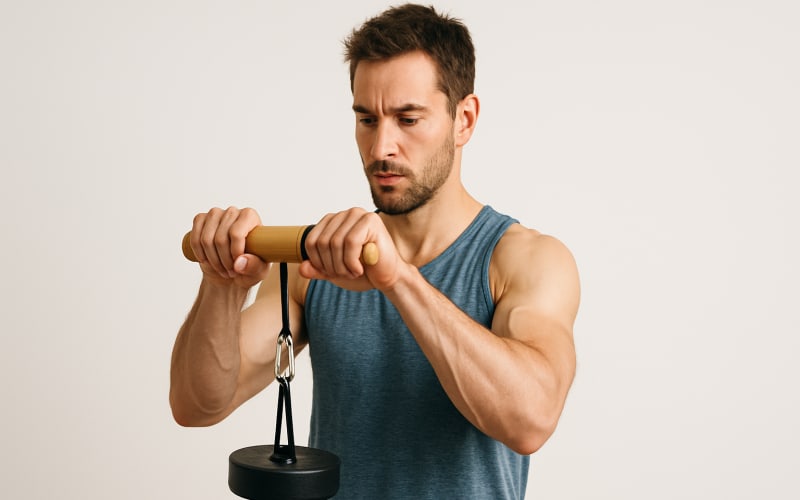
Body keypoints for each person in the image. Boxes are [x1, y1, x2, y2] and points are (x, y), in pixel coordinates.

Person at [170, 4, 580, 498]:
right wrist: (222, 286)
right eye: (367, 119)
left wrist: (398, 279)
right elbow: (197, 405)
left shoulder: (523, 261)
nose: (381, 146)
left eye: (408, 119)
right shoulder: (315, 263)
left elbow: (530, 421)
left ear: (463, 120)